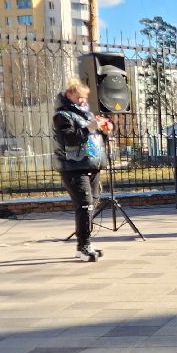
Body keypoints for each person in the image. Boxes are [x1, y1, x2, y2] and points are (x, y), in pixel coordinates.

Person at [52, 79, 112, 263]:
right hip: (73, 166)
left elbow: (92, 139)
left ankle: (83, 246)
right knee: (85, 204)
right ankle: (84, 244)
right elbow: (70, 139)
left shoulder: (87, 115)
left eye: (85, 97)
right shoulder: (62, 116)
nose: (83, 100)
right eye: (79, 97)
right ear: (69, 95)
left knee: (91, 204)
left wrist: (104, 130)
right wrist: (89, 128)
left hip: (91, 165)